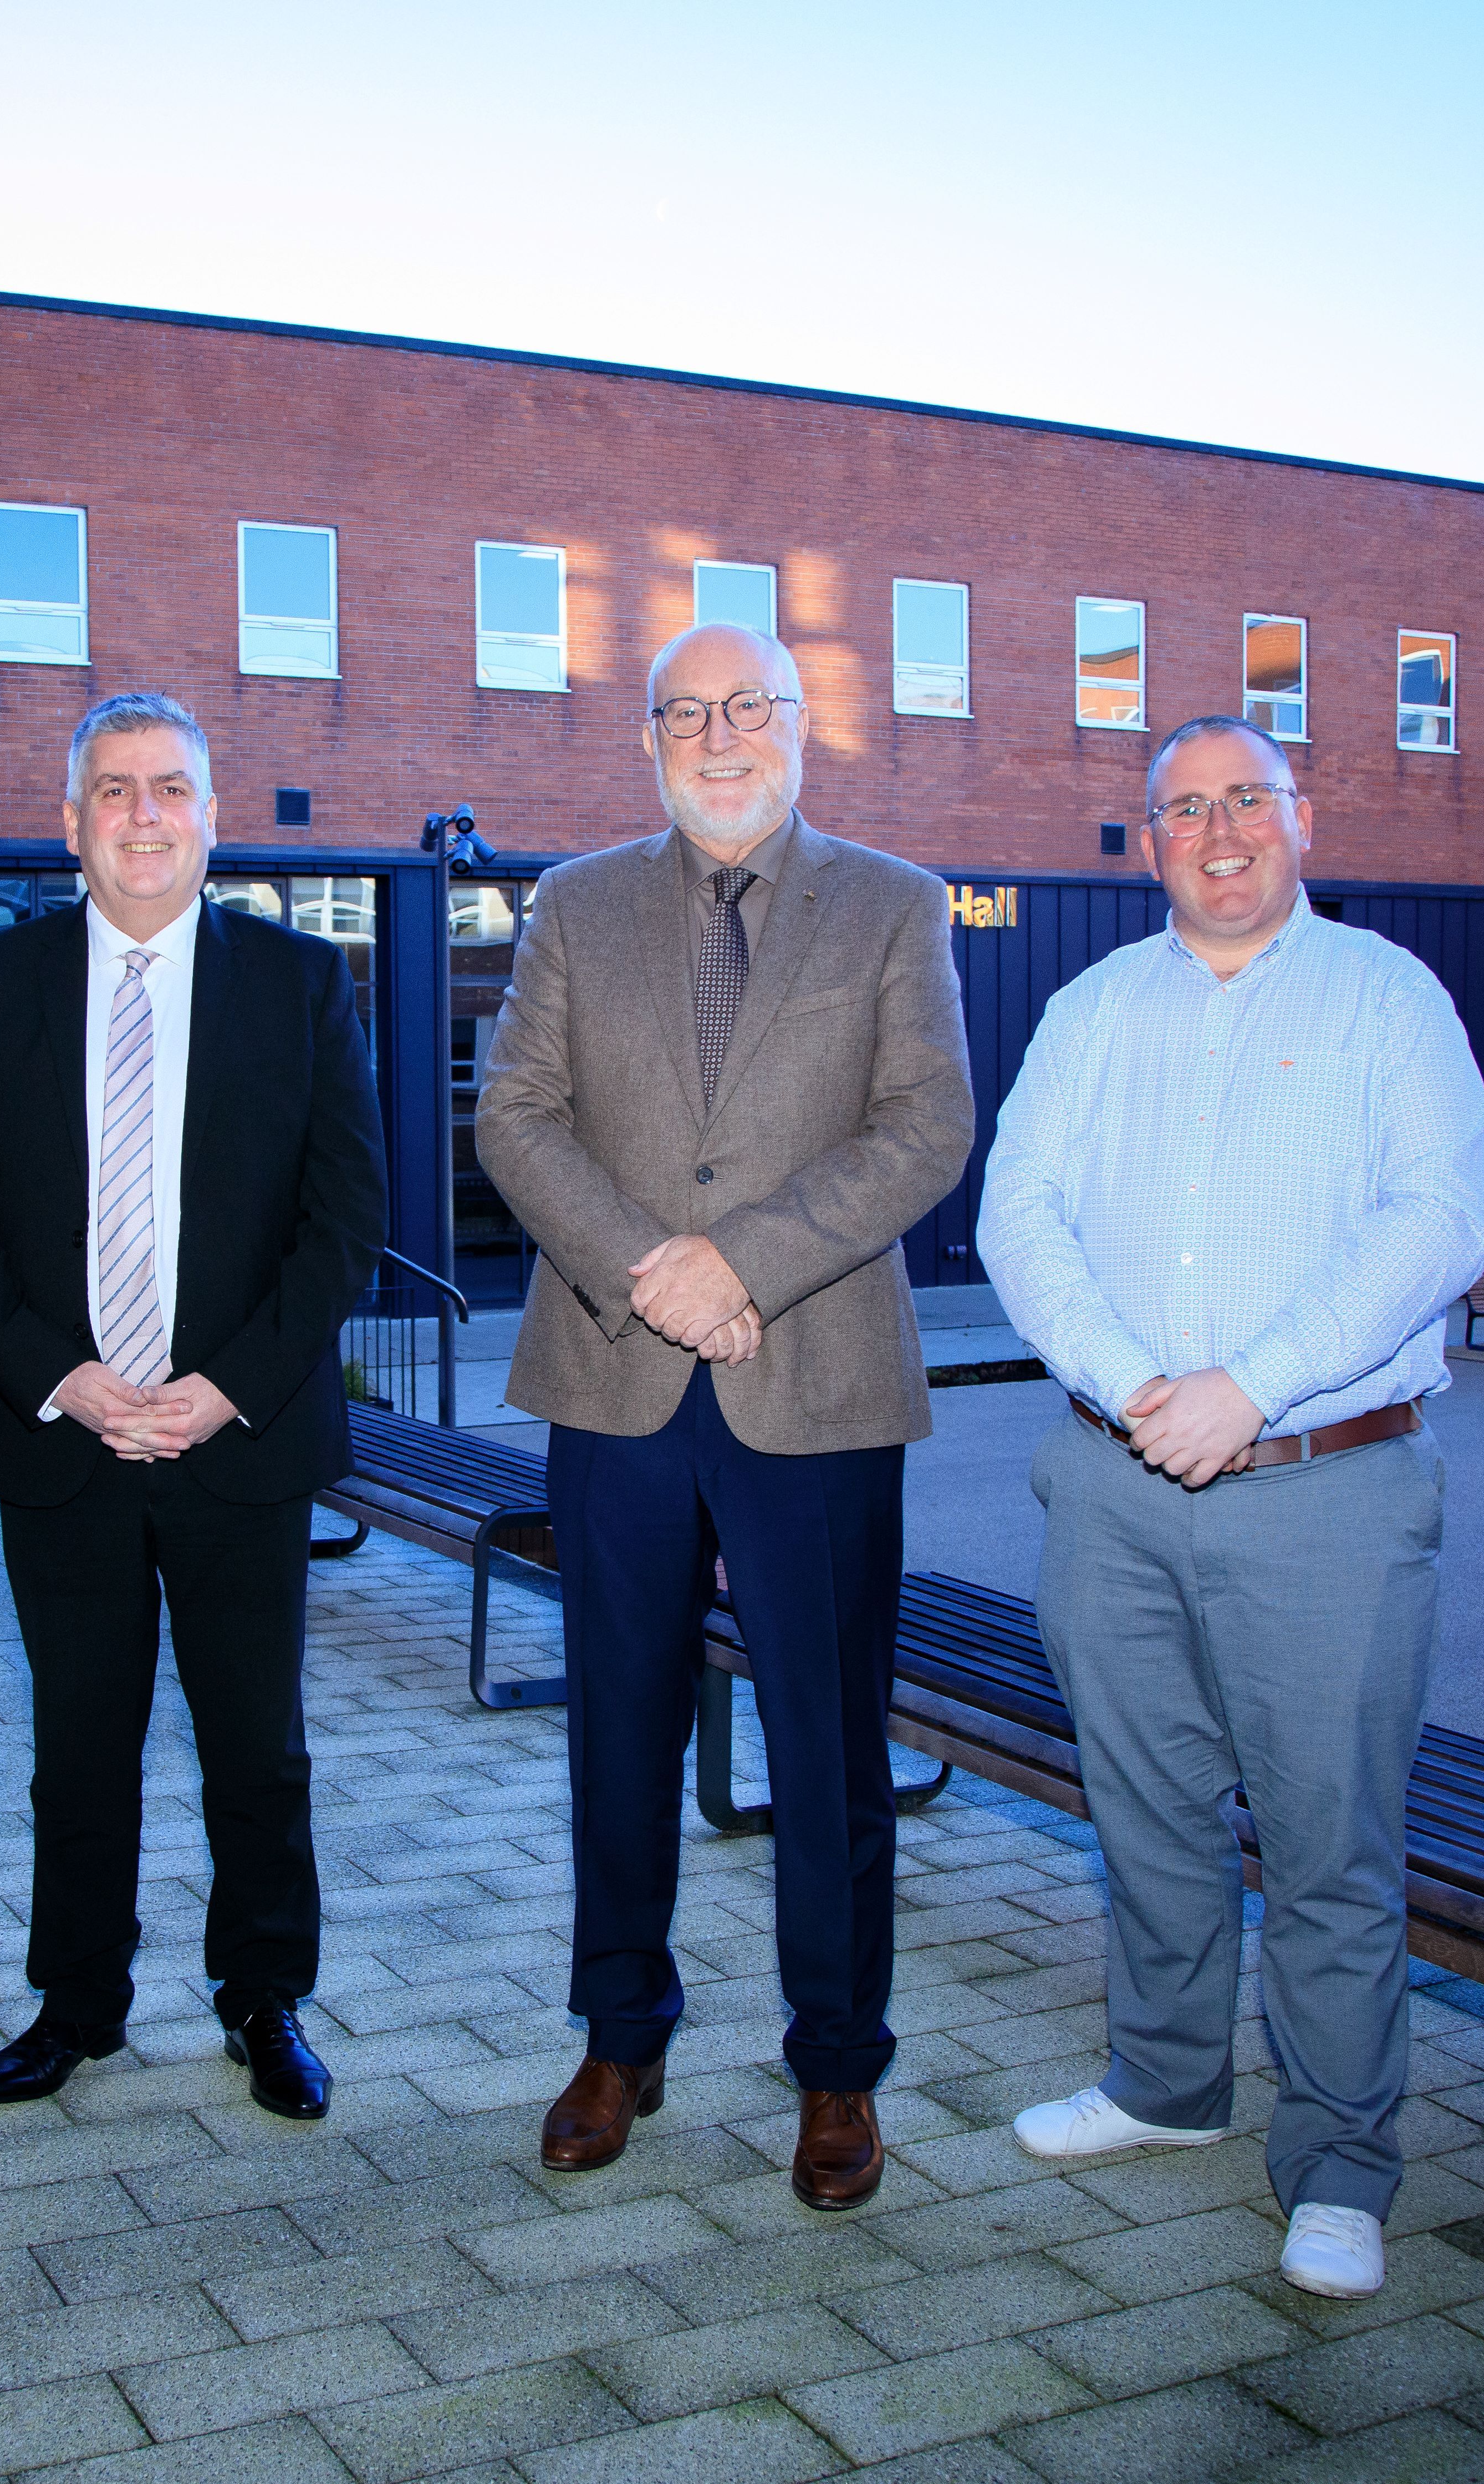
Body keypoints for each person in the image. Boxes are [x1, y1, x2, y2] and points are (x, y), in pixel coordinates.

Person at [976, 713, 1484, 2301]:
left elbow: (1439, 1222)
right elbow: (1020, 1211)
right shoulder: (1091, 1009)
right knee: (1145, 1817)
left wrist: (1249, 1385)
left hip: (1326, 1487)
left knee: (1332, 1846)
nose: (1217, 832)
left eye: (1245, 801)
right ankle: (1167, 2087)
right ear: (1147, 842)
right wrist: (1140, 1383)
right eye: (1182, 808)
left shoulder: (1390, 1000)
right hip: (1113, 1481)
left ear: (1303, 819)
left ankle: (1339, 2165)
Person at [476, 624, 975, 2212]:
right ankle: (622, 2032)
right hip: (615, 1384)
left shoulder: (894, 904)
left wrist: (738, 1264)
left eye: (747, 705)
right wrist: (652, 1273)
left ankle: (837, 2064)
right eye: (685, 711)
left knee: (827, 1749)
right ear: (647, 741)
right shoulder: (577, 905)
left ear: (802, 725)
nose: (719, 734)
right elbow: (519, 1116)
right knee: (615, 1731)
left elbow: (928, 1127)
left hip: (814, 1380)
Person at [0, 691, 383, 2120]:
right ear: (70, 824)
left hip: (236, 1436)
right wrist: (61, 1374)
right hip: (66, 1436)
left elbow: (343, 1221)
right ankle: (78, 1997)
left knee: (258, 1740)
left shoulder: (301, 985)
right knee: (80, 1738)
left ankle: (265, 1995)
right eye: (111, 790)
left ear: (212, 816)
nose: (141, 815)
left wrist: (222, 1387)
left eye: (169, 788)